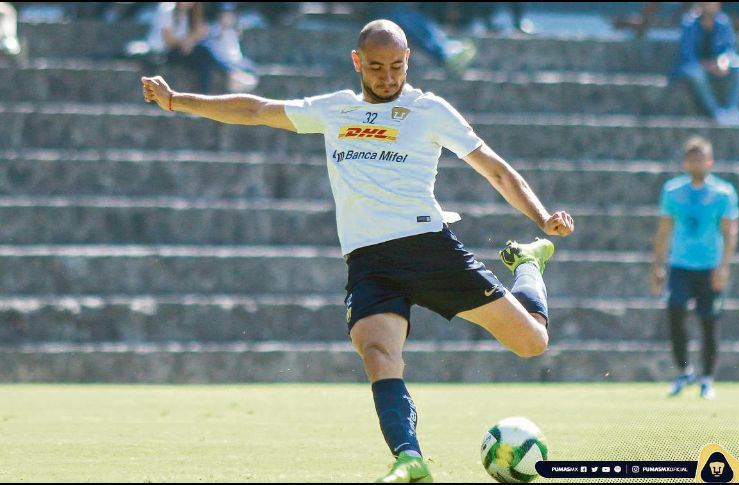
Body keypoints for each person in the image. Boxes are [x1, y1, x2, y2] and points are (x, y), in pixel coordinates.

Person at [142, 19, 574, 482]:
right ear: (356, 63)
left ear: (408, 60)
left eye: (396, 66)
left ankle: (527, 263)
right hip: (368, 261)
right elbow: (257, 110)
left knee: (532, 343)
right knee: (377, 354)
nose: (387, 77)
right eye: (375, 67)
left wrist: (541, 215)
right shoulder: (335, 110)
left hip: (427, 249)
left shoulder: (430, 110)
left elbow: (496, 170)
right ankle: (410, 459)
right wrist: (176, 100)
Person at [651, 136, 739, 401]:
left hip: (709, 267)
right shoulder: (672, 191)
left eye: (701, 158)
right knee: (675, 311)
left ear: (709, 162)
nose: (696, 163)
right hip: (680, 265)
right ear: (686, 162)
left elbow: (729, 231)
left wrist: (723, 267)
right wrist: (658, 265)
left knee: (709, 322)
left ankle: (707, 378)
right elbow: (664, 230)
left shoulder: (723, 193)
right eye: (692, 159)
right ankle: (684, 371)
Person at [670, 2, 739, 127]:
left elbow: (728, 49)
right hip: (694, 66)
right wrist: (708, 65)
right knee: (695, 72)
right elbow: (687, 55)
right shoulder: (688, 22)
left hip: (715, 64)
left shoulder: (723, 21)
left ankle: (732, 110)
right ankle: (716, 113)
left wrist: (723, 62)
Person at [144, 2, 256, 93]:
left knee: (204, 62)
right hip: (162, 53)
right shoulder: (167, 9)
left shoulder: (192, 12)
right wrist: (186, 42)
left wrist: (189, 42)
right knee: (203, 51)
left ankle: (203, 98)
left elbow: (200, 32)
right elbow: (169, 41)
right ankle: (231, 74)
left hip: (184, 50)